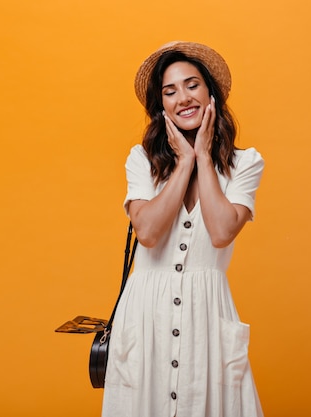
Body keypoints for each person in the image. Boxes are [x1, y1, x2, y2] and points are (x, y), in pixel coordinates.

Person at [101, 41, 264, 417]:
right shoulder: (141, 160)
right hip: (145, 318)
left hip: (208, 317)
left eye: (191, 85)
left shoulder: (245, 164)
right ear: (161, 106)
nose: (182, 98)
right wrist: (184, 161)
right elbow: (149, 233)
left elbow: (222, 231)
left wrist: (204, 157)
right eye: (169, 91)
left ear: (211, 93)